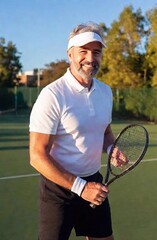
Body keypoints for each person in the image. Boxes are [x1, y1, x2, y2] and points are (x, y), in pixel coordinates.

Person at [29, 22, 116, 240]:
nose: (90, 58)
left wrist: (112, 148)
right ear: (70, 54)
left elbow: (106, 133)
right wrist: (81, 188)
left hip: (94, 184)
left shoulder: (105, 92)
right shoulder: (53, 95)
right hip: (59, 191)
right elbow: (37, 156)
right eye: (83, 51)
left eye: (96, 52)